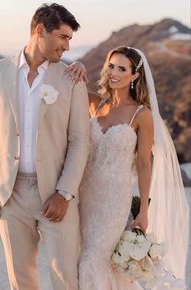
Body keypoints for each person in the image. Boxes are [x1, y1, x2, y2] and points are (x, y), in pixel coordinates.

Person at [0, 3, 90, 290]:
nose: (67, 46)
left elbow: (79, 141)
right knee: (20, 277)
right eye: (63, 37)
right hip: (9, 194)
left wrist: (64, 193)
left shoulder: (71, 78)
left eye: (70, 39)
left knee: (65, 276)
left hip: (55, 192)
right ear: (40, 30)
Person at [66, 46, 189, 289]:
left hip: (113, 202)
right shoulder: (97, 105)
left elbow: (144, 164)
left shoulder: (142, 115)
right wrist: (78, 65)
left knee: (93, 258)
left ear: (134, 76)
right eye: (111, 66)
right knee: (86, 257)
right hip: (83, 197)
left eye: (122, 68)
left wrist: (144, 210)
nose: (114, 72)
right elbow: (68, 84)